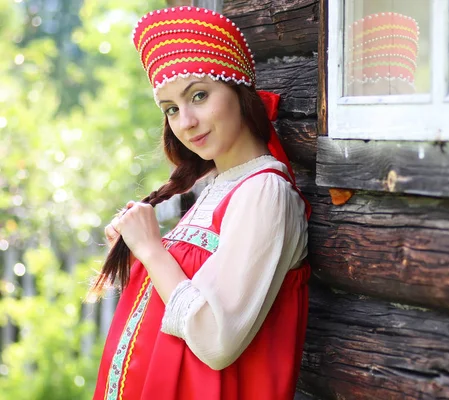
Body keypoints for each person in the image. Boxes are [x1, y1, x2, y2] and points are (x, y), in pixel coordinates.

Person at [91, 6, 310, 400]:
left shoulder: (265, 192)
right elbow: (178, 302)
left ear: (240, 93)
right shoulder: (217, 186)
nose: (186, 121)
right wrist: (138, 255)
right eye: (171, 108)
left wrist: (152, 250)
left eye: (199, 95)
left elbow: (215, 339)